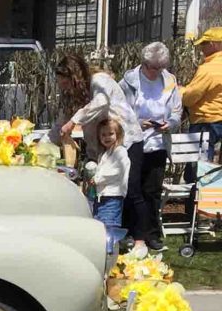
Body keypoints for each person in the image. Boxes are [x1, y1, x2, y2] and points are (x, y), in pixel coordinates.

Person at [53, 53, 147, 250]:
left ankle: (140, 240)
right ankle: (120, 238)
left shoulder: (99, 82)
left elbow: (101, 102)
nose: (63, 87)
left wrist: (74, 121)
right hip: (102, 148)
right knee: (105, 194)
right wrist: (41, 144)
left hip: (126, 140)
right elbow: (60, 126)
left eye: (65, 82)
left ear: (76, 77)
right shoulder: (73, 96)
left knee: (131, 190)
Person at [121, 42, 182, 250]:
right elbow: (121, 113)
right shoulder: (129, 82)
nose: (156, 72)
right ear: (144, 63)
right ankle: (130, 231)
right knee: (132, 188)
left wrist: (170, 124)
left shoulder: (169, 81)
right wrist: (138, 123)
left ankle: (151, 234)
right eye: (153, 68)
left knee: (152, 191)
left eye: (160, 68)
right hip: (134, 142)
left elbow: (176, 111)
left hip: (158, 142)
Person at [181, 26, 222, 162]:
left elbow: (189, 98)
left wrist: (180, 91)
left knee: (199, 169)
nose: (201, 48)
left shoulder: (208, 69)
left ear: (214, 44)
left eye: (204, 44)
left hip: (206, 121)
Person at [85, 117, 130, 238]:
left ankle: (111, 250)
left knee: (109, 226)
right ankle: (104, 250)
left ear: (118, 134)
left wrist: (97, 179)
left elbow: (117, 171)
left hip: (113, 196)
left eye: (111, 134)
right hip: (101, 196)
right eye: (103, 135)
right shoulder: (103, 155)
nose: (107, 137)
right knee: (100, 225)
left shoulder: (120, 151)